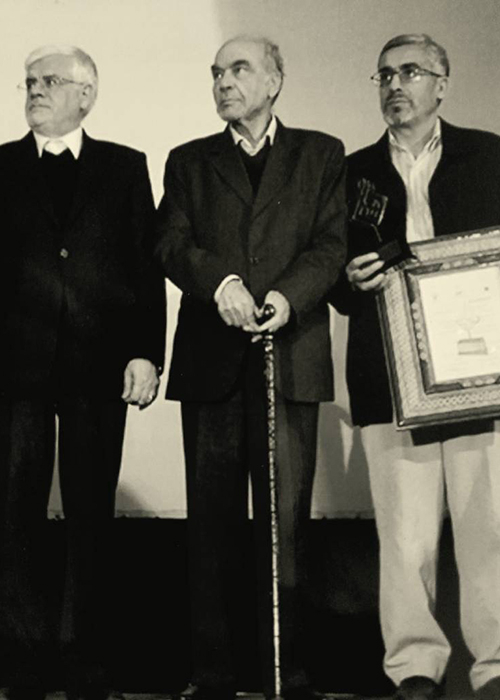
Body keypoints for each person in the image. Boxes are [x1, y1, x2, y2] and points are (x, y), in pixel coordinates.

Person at [156, 35, 346, 700]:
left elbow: (332, 244)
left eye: (239, 70)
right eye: (216, 73)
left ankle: (285, 676)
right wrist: (223, 284)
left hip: (290, 362)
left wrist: (286, 297)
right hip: (212, 369)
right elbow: (170, 242)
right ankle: (210, 676)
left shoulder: (321, 155)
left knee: (285, 529)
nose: (224, 82)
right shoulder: (189, 161)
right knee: (209, 533)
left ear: (274, 81)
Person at [331, 33, 500, 700]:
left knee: (490, 526)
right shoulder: (352, 172)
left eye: (409, 72)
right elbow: (330, 274)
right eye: (384, 75)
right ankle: (415, 670)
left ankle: (495, 668)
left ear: (441, 84)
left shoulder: (489, 156)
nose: (395, 85)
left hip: (481, 373)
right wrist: (347, 278)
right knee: (404, 537)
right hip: (389, 373)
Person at [0, 45, 165, 700]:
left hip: (98, 368)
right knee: (13, 513)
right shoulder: (1, 167)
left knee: (91, 514)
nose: (35, 91)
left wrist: (146, 352)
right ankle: (20, 661)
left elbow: (144, 265)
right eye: (29, 82)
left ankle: (85, 660)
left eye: (50, 81)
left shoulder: (125, 167)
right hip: (15, 369)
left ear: (86, 95)